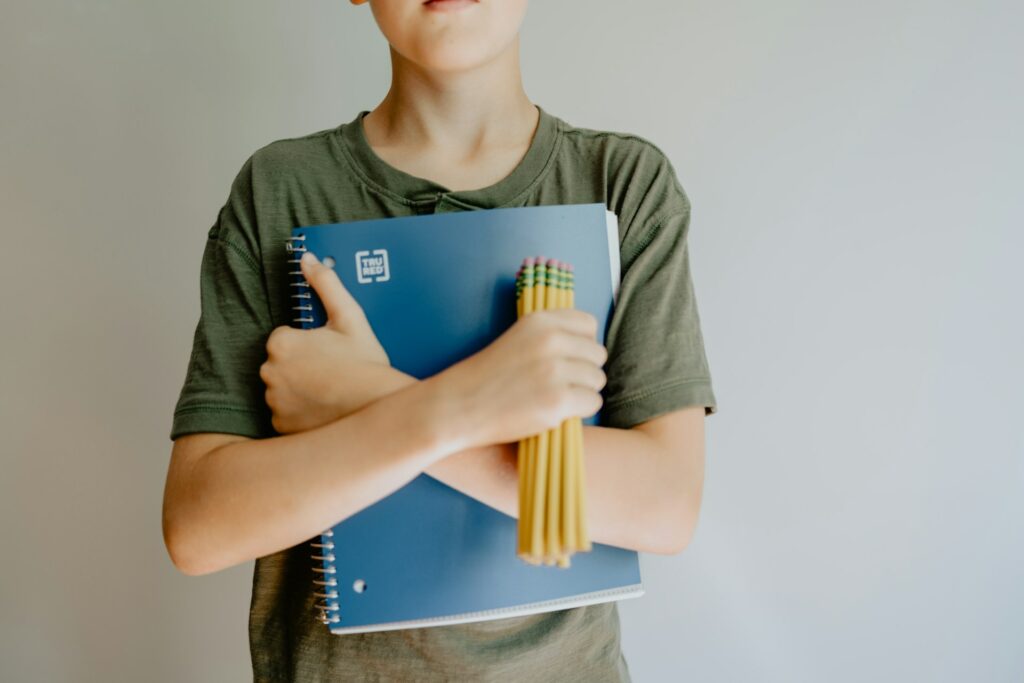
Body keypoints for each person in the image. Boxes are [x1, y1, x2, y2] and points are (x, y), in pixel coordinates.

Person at [162, 0, 719, 680]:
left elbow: (664, 504)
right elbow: (198, 527)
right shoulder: (280, 190)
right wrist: (463, 406)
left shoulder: (623, 185)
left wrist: (365, 395)